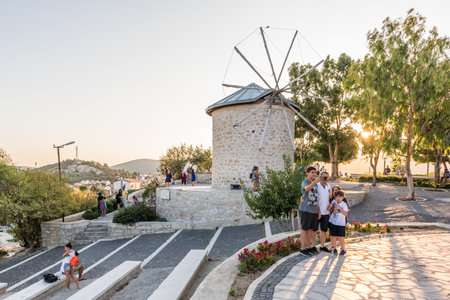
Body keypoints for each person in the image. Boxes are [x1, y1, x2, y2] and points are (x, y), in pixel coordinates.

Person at [299, 166, 321, 256]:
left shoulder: (315, 184)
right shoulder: (305, 182)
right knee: (304, 229)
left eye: (315, 173)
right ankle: (302, 248)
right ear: (307, 173)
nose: (314, 174)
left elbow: (317, 198)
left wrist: (319, 211)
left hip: (314, 210)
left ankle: (309, 247)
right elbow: (307, 189)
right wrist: (315, 181)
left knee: (311, 230)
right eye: (312, 172)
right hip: (306, 209)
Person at [328, 190, 349, 255]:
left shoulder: (344, 204)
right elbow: (328, 209)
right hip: (333, 222)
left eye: (340, 197)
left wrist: (339, 208)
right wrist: (331, 206)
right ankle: (334, 249)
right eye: (337, 197)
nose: (338, 198)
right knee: (333, 236)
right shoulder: (334, 202)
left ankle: (343, 249)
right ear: (335, 197)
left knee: (341, 237)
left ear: (343, 197)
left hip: (341, 223)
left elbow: (345, 214)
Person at [316, 172, 331, 252]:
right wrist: (319, 211)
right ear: (320, 177)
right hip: (318, 212)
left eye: (327, 177)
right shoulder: (317, 186)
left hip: (326, 213)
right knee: (314, 230)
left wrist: (330, 206)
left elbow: (330, 198)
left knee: (324, 230)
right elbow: (315, 199)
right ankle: (313, 247)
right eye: (324, 177)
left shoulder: (329, 186)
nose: (325, 179)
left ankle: (322, 246)